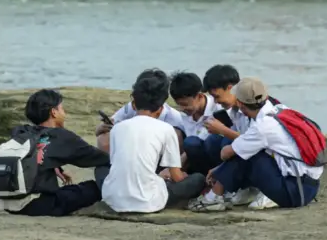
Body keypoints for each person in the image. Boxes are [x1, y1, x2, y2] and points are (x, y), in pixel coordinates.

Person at [188, 77, 323, 213]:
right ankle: (239, 192)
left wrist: (218, 168)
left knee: (243, 153)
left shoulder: (262, 127)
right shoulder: (280, 109)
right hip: (308, 186)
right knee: (246, 149)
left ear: (240, 103)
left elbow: (226, 153)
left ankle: (213, 198)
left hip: (294, 192)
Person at [0, 89, 110, 217]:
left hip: (7, 204)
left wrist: (55, 167)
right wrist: (100, 133)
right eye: (62, 109)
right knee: (92, 188)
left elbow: (36, 152)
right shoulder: (61, 136)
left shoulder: (21, 131)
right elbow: (99, 158)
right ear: (54, 112)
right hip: (38, 206)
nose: (64, 113)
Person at [101, 74, 205, 213]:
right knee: (198, 179)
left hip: (114, 200)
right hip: (149, 202)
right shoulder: (167, 129)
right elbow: (176, 176)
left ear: (133, 104)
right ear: (161, 108)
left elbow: (115, 163)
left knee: (100, 170)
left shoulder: (117, 128)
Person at [202, 64, 280, 209]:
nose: (216, 102)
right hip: (254, 151)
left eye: (217, 96)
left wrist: (223, 130)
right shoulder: (235, 111)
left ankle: (269, 189)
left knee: (229, 143)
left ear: (230, 88)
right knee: (219, 142)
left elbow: (256, 140)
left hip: (274, 158)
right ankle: (246, 187)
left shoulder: (261, 108)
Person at [95, 68, 186, 153]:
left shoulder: (174, 118)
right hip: (132, 150)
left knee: (176, 135)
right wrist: (100, 129)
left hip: (159, 157)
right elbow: (112, 124)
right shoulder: (131, 107)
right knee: (104, 138)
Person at [169, 71, 228, 175]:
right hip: (199, 159)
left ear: (199, 96)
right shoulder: (185, 114)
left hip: (218, 155)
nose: (182, 109)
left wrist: (176, 167)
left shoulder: (218, 108)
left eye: (185, 104)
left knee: (209, 141)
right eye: (178, 105)